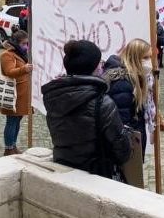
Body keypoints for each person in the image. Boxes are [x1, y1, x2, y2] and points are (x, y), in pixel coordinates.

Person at [42, 40, 132, 179]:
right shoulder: (103, 103)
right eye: (99, 62)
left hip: (63, 168)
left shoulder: (52, 96)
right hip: (96, 174)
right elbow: (123, 152)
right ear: (95, 67)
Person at [104, 39, 154, 163]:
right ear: (135, 58)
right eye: (146, 58)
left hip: (134, 138)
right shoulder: (123, 83)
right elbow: (122, 121)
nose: (149, 62)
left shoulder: (138, 78)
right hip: (127, 145)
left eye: (150, 57)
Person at [0, 30, 33, 155]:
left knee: (17, 121)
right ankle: (8, 148)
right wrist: (24, 69)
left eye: (27, 43)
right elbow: (9, 71)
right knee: (11, 121)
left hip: (22, 94)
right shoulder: (7, 55)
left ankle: (13, 145)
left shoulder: (22, 54)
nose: (26, 46)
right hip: (12, 94)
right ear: (17, 43)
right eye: (24, 43)